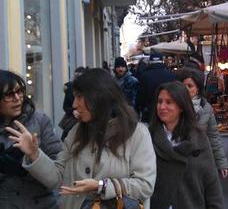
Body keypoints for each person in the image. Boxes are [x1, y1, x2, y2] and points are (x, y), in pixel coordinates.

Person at [6, 68, 156, 208]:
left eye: (79, 96)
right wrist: (34, 154)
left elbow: (145, 185)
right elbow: (57, 179)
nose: (74, 104)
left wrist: (101, 186)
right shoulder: (76, 131)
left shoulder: (137, 134)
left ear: (99, 97)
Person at [149, 82, 224, 209]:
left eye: (169, 102)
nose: (162, 107)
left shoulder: (198, 139)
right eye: (159, 101)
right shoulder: (148, 138)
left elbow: (211, 182)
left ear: (182, 106)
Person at [0, 70, 62, 208]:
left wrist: (33, 158)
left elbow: (59, 174)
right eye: (9, 95)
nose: (17, 98)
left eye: (19, 91)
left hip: (41, 204)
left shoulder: (40, 120)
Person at [177, 67, 228, 178]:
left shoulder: (206, 108)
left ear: (198, 89)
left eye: (190, 86)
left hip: (200, 160)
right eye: (183, 86)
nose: (186, 89)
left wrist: (221, 163)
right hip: (178, 159)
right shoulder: (174, 105)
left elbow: (213, 136)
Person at [136, 53, 176, 123]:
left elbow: (140, 96)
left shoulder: (145, 76)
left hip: (150, 112)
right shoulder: (171, 75)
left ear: (150, 62)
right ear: (162, 61)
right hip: (168, 110)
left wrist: (140, 109)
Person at [59, 66, 88, 141]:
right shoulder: (70, 89)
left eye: (80, 76)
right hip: (73, 122)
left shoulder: (89, 90)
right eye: (76, 76)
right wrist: (73, 111)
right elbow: (65, 106)